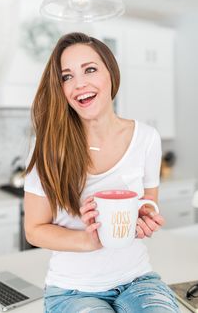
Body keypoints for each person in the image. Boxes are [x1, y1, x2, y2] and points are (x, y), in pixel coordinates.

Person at [24, 32, 180, 313]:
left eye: (90, 69)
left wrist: (145, 218)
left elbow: (148, 203)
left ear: (111, 74)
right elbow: (34, 230)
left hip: (138, 280)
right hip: (72, 290)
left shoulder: (146, 138)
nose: (79, 83)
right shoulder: (47, 146)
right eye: (66, 76)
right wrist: (88, 239)